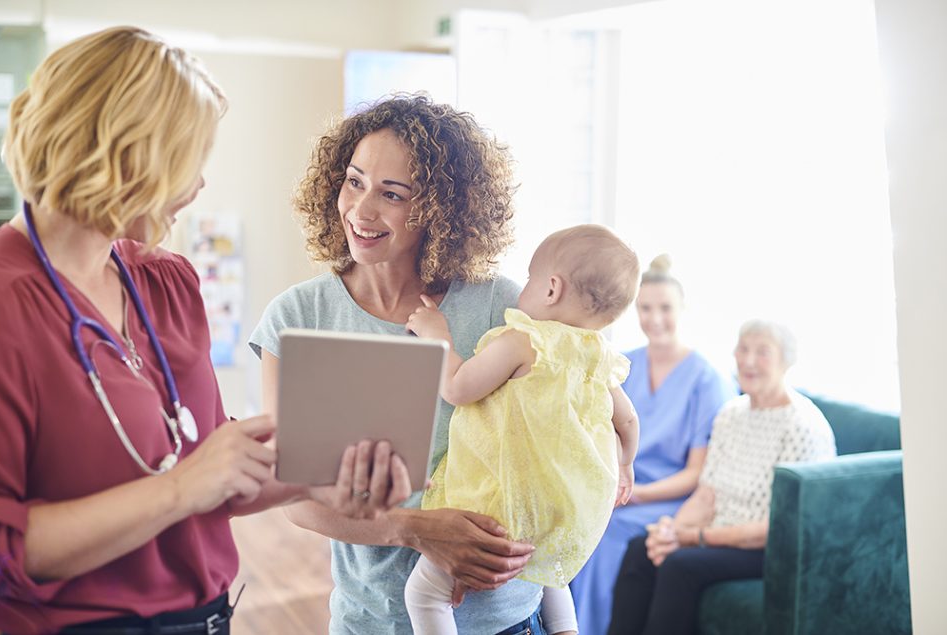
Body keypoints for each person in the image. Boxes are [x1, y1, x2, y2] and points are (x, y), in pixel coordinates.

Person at [0, 27, 410, 635]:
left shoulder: (166, 282)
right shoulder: (6, 305)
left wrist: (321, 482)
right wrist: (181, 487)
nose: (197, 186)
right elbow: (6, 551)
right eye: (188, 161)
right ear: (122, 155)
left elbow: (212, 468)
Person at [249, 95, 552, 634]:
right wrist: (413, 528)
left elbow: (552, 437)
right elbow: (295, 497)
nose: (361, 211)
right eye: (354, 182)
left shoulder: (500, 307)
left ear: (440, 210)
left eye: (392, 194)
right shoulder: (298, 316)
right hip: (372, 620)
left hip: (503, 620)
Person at [402, 225, 642, 635]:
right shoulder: (598, 357)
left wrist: (437, 336)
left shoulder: (525, 341)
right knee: (547, 570)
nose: (521, 289)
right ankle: (565, 629)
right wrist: (625, 465)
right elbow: (629, 420)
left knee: (424, 594)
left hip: (503, 502)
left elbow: (458, 388)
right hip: (564, 507)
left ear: (551, 289)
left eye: (530, 278)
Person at [607, 319, 838, 635]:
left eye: (762, 352)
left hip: (769, 548)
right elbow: (706, 494)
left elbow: (777, 529)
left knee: (679, 566)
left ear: (786, 362)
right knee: (641, 548)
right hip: (720, 534)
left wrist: (692, 537)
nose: (749, 361)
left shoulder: (803, 426)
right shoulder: (731, 414)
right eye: (743, 349)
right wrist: (670, 532)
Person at [570, 253, 734, 635]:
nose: (654, 318)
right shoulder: (621, 365)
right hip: (620, 488)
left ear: (683, 309)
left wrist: (636, 494)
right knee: (575, 516)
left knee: (609, 530)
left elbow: (696, 474)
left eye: (665, 308)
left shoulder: (707, 378)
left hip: (672, 498)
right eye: (645, 308)